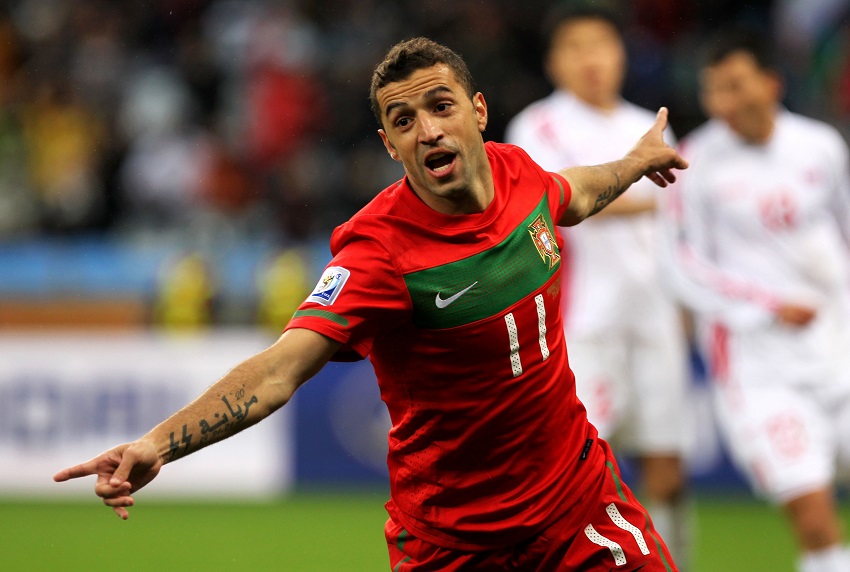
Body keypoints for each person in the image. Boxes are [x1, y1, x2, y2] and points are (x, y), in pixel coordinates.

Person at [54, 37, 687, 571]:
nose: (428, 130)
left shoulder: (519, 173)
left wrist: (634, 162)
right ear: (389, 144)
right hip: (455, 542)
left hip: (578, 503)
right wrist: (158, 444)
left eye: (441, 107)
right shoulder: (376, 252)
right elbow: (279, 371)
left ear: (479, 111)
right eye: (404, 120)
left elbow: (574, 193)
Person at [504, 4, 691, 567]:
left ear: (622, 54)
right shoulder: (537, 126)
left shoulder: (649, 124)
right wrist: (640, 190)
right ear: (555, 61)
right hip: (583, 324)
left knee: (667, 467)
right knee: (578, 465)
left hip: (655, 318)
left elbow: (678, 224)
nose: (593, 59)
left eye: (603, 45)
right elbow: (558, 207)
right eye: (577, 47)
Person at [662, 28, 850, 572]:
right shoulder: (693, 165)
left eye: (736, 85)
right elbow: (681, 265)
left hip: (836, 351)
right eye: (715, 90)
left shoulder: (822, 147)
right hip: (759, 367)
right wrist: (767, 305)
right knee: (814, 517)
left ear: (770, 83)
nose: (727, 101)